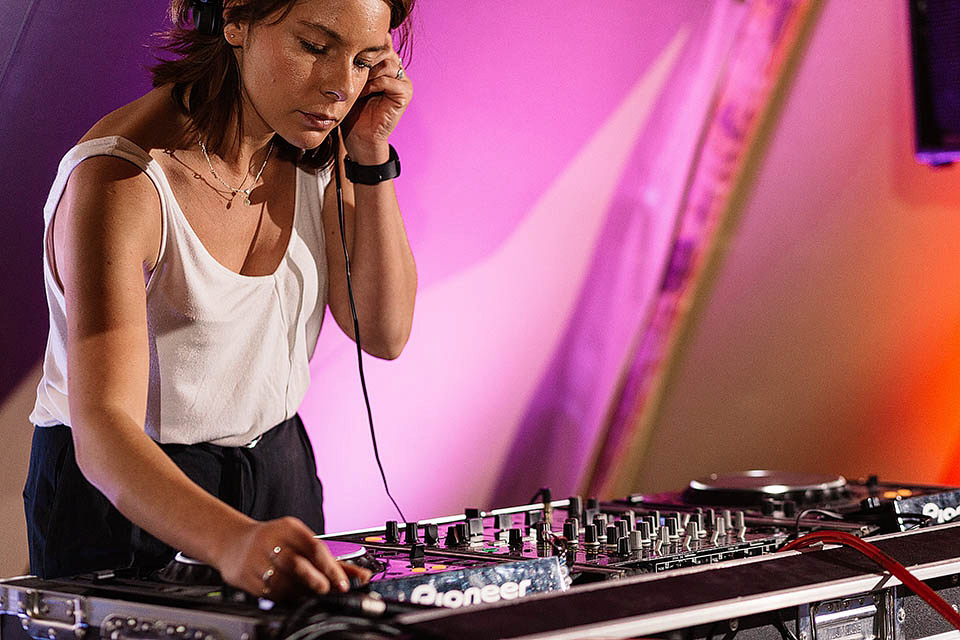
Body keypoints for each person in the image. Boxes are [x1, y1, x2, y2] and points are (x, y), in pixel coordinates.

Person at [24, 0, 417, 600]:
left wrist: (369, 154)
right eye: (315, 47)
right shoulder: (121, 177)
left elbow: (384, 333)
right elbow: (103, 432)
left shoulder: (320, 146)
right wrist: (233, 540)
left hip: (278, 469)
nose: (341, 87)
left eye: (365, 61)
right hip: (133, 490)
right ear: (234, 19)